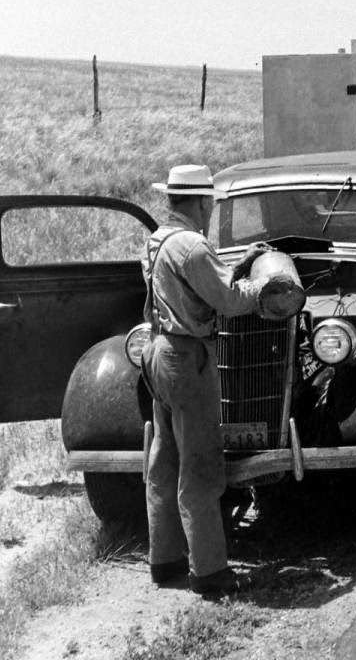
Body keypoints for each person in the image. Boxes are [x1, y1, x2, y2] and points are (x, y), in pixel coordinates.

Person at [141, 163, 301, 598]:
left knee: (164, 461)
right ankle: (209, 572)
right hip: (188, 358)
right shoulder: (193, 246)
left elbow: (194, 284)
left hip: (157, 351)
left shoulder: (159, 240)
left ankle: (164, 561)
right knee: (200, 466)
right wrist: (264, 286)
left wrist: (239, 263)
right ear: (200, 203)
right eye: (209, 202)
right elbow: (229, 301)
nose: (210, 208)